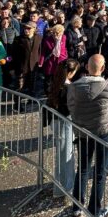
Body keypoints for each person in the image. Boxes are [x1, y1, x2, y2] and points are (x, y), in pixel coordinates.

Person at [68, 54, 108, 217]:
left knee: (82, 168)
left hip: (83, 131)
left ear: (87, 67)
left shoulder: (74, 86)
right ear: (103, 69)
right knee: (99, 172)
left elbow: (71, 107)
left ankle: (76, 209)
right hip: (103, 131)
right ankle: (94, 212)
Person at [47, 59, 79, 197]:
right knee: (66, 156)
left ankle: (61, 187)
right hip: (65, 123)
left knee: (63, 155)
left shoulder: (55, 83)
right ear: (70, 73)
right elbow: (71, 108)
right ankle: (66, 188)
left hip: (56, 121)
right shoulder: (68, 88)